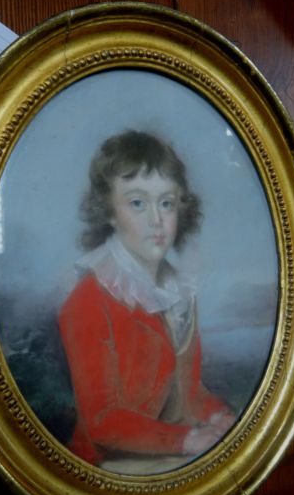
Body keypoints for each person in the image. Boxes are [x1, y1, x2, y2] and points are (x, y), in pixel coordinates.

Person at [58, 130, 234, 469]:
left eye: (166, 203)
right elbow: (103, 420)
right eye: (137, 203)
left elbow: (187, 393)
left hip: (163, 456)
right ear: (109, 211)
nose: (157, 220)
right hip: (103, 469)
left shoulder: (178, 292)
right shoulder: (89, 300)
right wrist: (186, 440)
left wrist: (218, 416)